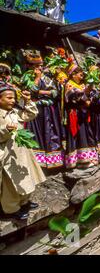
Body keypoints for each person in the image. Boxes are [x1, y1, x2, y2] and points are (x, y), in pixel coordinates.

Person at [0, 84, 46, 220]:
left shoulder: (14, 112)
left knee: (25, 177)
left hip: (21, 152)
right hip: (7, 154)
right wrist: (6, 130)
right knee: (11, 183)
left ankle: (24, 202)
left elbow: (31, 114)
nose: (13, 101)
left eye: (14, 98)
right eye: (9, 98)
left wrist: (27, 101)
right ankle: (11, 209)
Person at [64, 64, 99, 170]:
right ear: (73, 74)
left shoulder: (82, 85)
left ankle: (89, 157)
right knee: (79, 135)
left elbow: (93, 95)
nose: (82, 77)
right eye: (80, 74)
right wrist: (86, 94)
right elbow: (74, 97)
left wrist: (89, 94)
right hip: (75, 114)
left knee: (87, 134)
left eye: (83, 75)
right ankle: (80, 160)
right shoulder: (69, 85)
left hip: (84, 114)